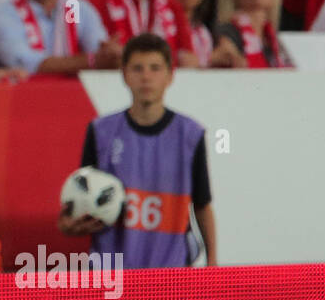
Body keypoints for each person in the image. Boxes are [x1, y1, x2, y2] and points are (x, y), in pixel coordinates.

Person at [58, 33, 218, 267]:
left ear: (170, 76)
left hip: (170, 275)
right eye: (137, 68)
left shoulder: (190, 135)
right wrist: (67, 225)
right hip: (112, 277)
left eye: (155, 68)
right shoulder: (101, 131)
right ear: (124, 75)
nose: (146, 77)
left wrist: (212, 263)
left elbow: (202, 204)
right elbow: (81, 197)